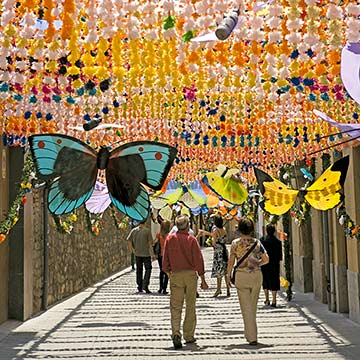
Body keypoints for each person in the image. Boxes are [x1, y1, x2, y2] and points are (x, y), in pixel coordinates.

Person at [163, 215, 209, 349]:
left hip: (176, 275)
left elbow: (165, 261)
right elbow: (198, 260)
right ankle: (188, 335)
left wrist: (169, 274)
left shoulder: (170, 239)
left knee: (175, 307)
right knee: (190, 305)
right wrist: (203, 280)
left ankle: (176, 333)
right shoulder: (192, 240)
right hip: (190, 276)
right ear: (188, 225)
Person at [226, 217, 269, 346]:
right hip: (256, 275)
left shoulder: (235, 243)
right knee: (252, 306)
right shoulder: (257, 243)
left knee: (246, 308)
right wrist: (255, 264)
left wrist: (228, 276)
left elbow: (231, 261)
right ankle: (249, 332)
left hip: (241, 276)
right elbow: (266, 259)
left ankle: (252, 336)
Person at [198, 214, 230, 297]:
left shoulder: (215, 230)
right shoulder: (224, 229)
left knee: (219, 270)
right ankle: (227, 289)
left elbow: (214, 242)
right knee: (225, 270)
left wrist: (212, 243)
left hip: (218, 252)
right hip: (224, 250)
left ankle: (218, 289)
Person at [127, 219, 155, 294]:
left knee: (139, 270)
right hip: (146, 254)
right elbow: (150, 244)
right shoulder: (147, 231)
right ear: (145, 222)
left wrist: (132, 250)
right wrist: (152, 254)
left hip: (137, 254)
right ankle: (145, 284)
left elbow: (129, 241)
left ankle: (139, 285)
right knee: (148, 269)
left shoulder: (134, 230)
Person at [260, 224, 283, 307]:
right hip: (274, 264)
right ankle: (274, 300)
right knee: (274, 281)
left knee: (265, 280)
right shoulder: (278, 242)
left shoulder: (262, 241)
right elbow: (280, 256)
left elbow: (260, 253)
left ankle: (267, 299)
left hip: (264, 263)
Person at [154, 220, 171, 294]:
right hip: (167, 255)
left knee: (161, 271)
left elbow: (154, 242)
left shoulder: (159, 234)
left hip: (160, 255)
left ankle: (160, 288)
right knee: (167, 271)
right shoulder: (169, 236)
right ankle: (164, 288)